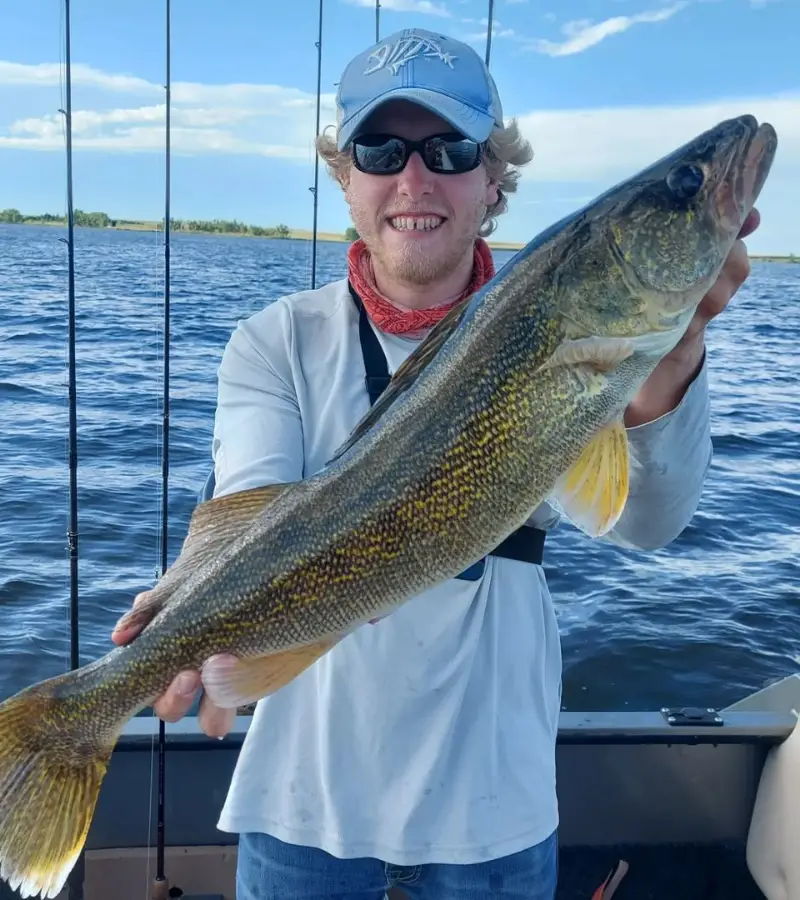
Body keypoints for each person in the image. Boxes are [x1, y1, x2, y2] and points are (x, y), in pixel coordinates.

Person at [112, 26, 760, 900]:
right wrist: (187, 604)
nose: (414, 179)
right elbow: (250, 504)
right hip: (303, 810)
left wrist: (672, 367)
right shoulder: (276, 342)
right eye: (380, 149)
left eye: (449, 149)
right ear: (345, 177)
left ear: (494, 181)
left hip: (495, 812)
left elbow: (646, 524)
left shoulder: (592, 335)